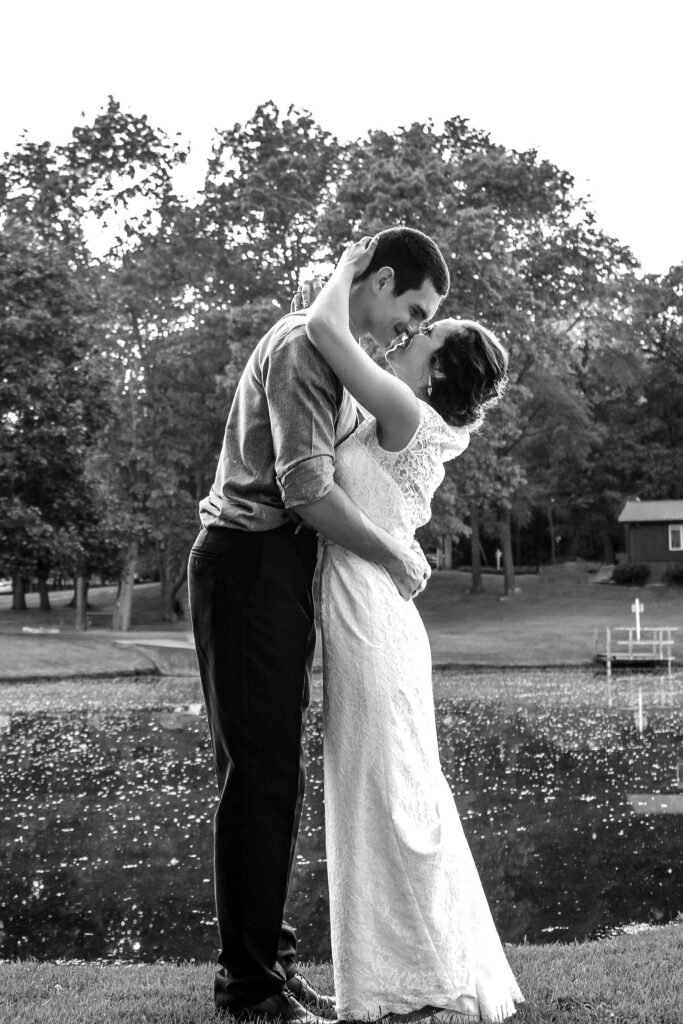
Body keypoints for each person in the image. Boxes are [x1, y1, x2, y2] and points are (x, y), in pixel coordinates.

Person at [188, 227, 451, 1022]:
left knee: (274, 776)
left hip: (278, 573)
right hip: (247, 565)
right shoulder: (307, 348)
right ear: (377, 281)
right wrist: (395, 555)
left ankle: (272, 963)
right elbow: (304, 488)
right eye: (413, 307)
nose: (410, 328)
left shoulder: (332, 350)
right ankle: (250, 988)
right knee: (258, 778)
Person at [305, 237, 524, 1022]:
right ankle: (397, 980)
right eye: (416, 320)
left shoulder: (405, 409)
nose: (406, 335)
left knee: (386, 798)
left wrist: (349, 263)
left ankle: (421, 984)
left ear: (436, 371)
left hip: (369, 614)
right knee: (384, 793)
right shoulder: (399, 406)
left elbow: (329, 333)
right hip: (370, 610)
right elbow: (336, 344)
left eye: (423, 333)